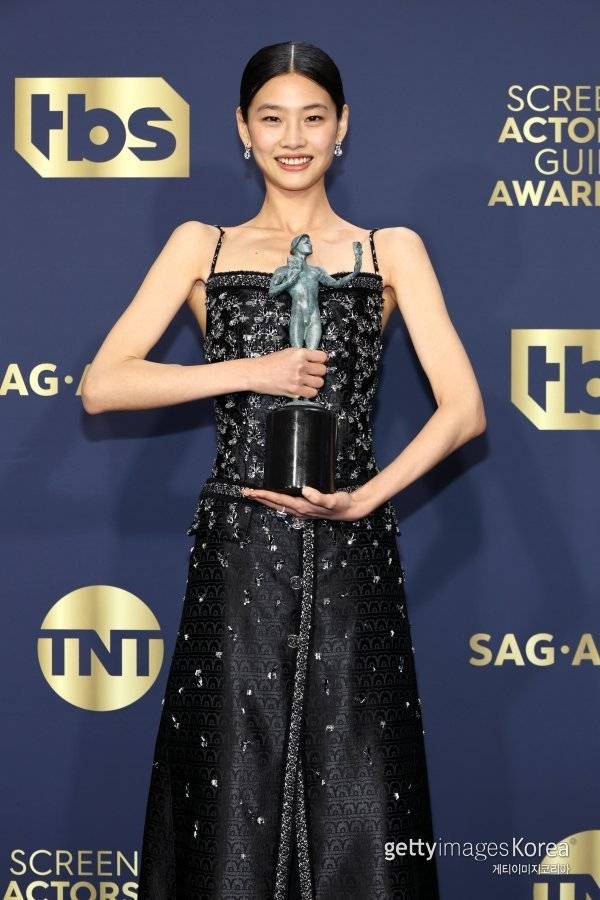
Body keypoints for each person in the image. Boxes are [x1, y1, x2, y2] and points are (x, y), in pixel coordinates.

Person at [82, 40, 485, 900]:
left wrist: (366, 499)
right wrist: (251, 371)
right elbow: (103, 385)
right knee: (228, 780)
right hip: (238, 555)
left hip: (353, 556)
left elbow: (464, 410)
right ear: (242, 128)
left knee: (362, 777)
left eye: (313, 118)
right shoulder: (202, 245)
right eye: (272, 118)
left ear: (343, 128)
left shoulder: (390, 250)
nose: (292, 138)